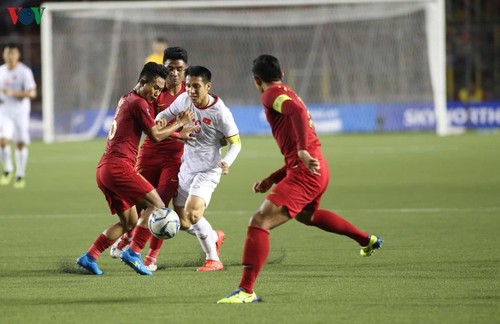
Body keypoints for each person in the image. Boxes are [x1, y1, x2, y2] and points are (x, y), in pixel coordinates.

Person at [217, 55, 383, 304]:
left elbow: (294, 113)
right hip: (317, 167)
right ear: (282, 72)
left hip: (305, 169)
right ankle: (366, 240)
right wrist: (272, 178)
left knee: (259, 222)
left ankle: (245, 291)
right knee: (308, 216)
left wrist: (302, 150)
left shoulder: (269, 94)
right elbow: (295, 125)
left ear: (256, 80)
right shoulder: (288, 90)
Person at [76, 62, 196, 275]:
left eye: (160, 89)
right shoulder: (139, 103)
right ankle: (134, 252)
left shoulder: (127, 98)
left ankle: (90, 256)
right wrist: (180, 123)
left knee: (129, 221)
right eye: (155, 88)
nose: (157, 94)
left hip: (104, 169)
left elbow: (153, 131)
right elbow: (156, 136)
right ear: (142, 82)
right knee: (158, 204)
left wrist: (178, 135)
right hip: (119, 167)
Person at [150, 65, 241, 273]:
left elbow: (235, 142)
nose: (191, 90)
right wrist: (160, 119)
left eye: (196, 86)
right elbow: (165, 113)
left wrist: (227, 161)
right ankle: (214, 236)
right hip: (187, 168)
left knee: (192, 213)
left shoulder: (220, 113)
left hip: (208, 170)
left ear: (208, 87)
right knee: (182, 221)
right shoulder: (184, 99)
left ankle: (213, 260)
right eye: (188, 85)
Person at [109, 46, 189, 272]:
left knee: (160, 206)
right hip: (150, 152)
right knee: (139, 203)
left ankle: (150, 256)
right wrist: (177, 130)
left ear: (185, 70)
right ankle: (126, 238)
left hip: (175, 158)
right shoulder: (155, 90)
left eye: (178, 69)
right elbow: (151, 129)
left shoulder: (189, 94)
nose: (173, 73)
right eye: (169, 68)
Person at [0, 43, 37, 189]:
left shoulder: (24, 72)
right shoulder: (1, 72)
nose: (10, 56)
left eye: (12, 53)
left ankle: (20, 174)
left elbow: (32, 93)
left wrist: (14, 93)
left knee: (20, 144)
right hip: (4, 111)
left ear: (18, 55)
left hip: (20, 112)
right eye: (7, 53)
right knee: (3, 141)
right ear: (3, 55)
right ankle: (7, 169)